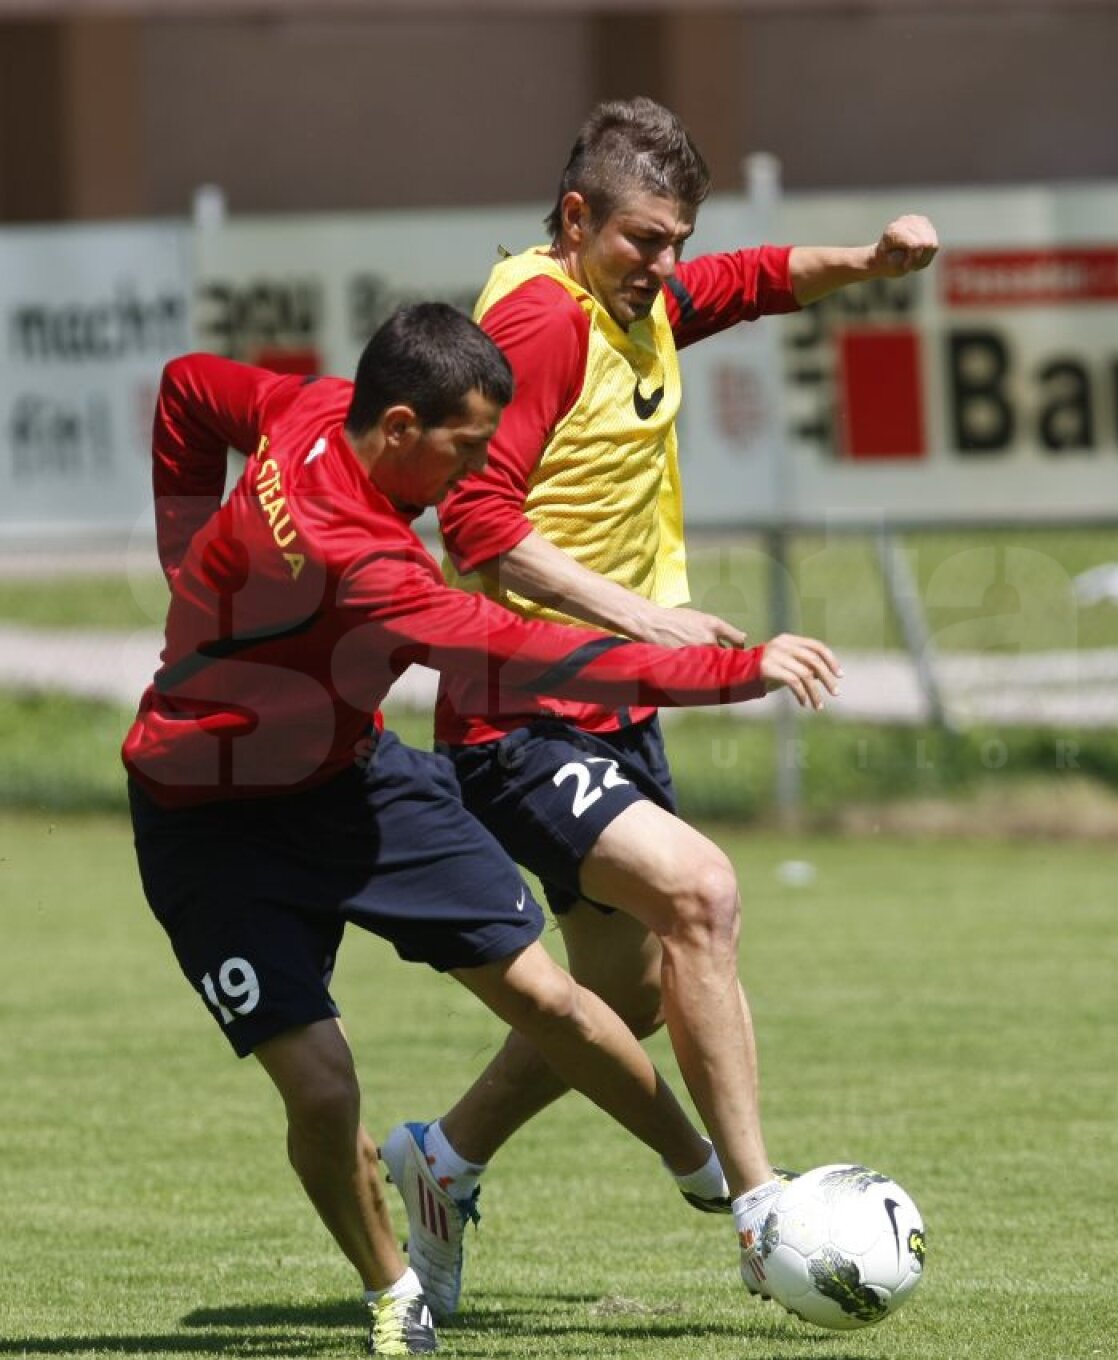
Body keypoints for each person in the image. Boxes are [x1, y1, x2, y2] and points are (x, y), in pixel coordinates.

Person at [122, 302, 842, 1356]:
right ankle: (393, 1291)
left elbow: (188, 385)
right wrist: (735, 671)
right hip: (208, 823)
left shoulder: (311, 406)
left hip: (352, 785)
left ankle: (712, 1177)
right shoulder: (370, 566)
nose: (476, 473)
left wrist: (184, 554)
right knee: (322, 1088)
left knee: (550, 993)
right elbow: (537, 653)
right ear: (399, 426)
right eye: (465, 449)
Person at [382, 98, 938, 1317]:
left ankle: (443, 1159)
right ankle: (761, 1209)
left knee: (626, 992)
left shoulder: (634, 297)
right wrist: (644, 618)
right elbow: (474, 524)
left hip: (608, 707)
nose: (667, 263)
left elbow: (750, 281)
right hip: (521, 712)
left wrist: (870, 261)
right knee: (704, 892)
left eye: (679, 238)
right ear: (577, 215)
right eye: (645, 238)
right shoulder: (540, 320)